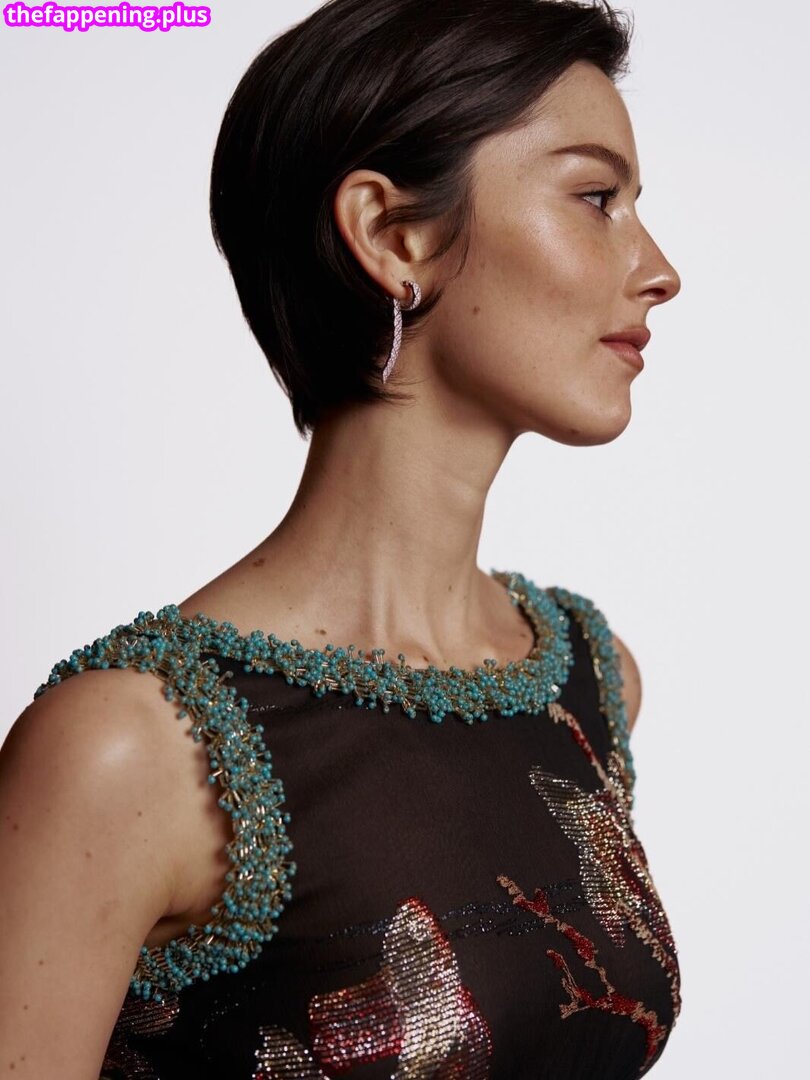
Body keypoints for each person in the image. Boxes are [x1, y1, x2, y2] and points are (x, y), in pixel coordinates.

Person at [0, 1, 682, 1076]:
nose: (659, 269)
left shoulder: (591, 682)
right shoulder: (131, 749)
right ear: (392, 236)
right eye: (596, 198)